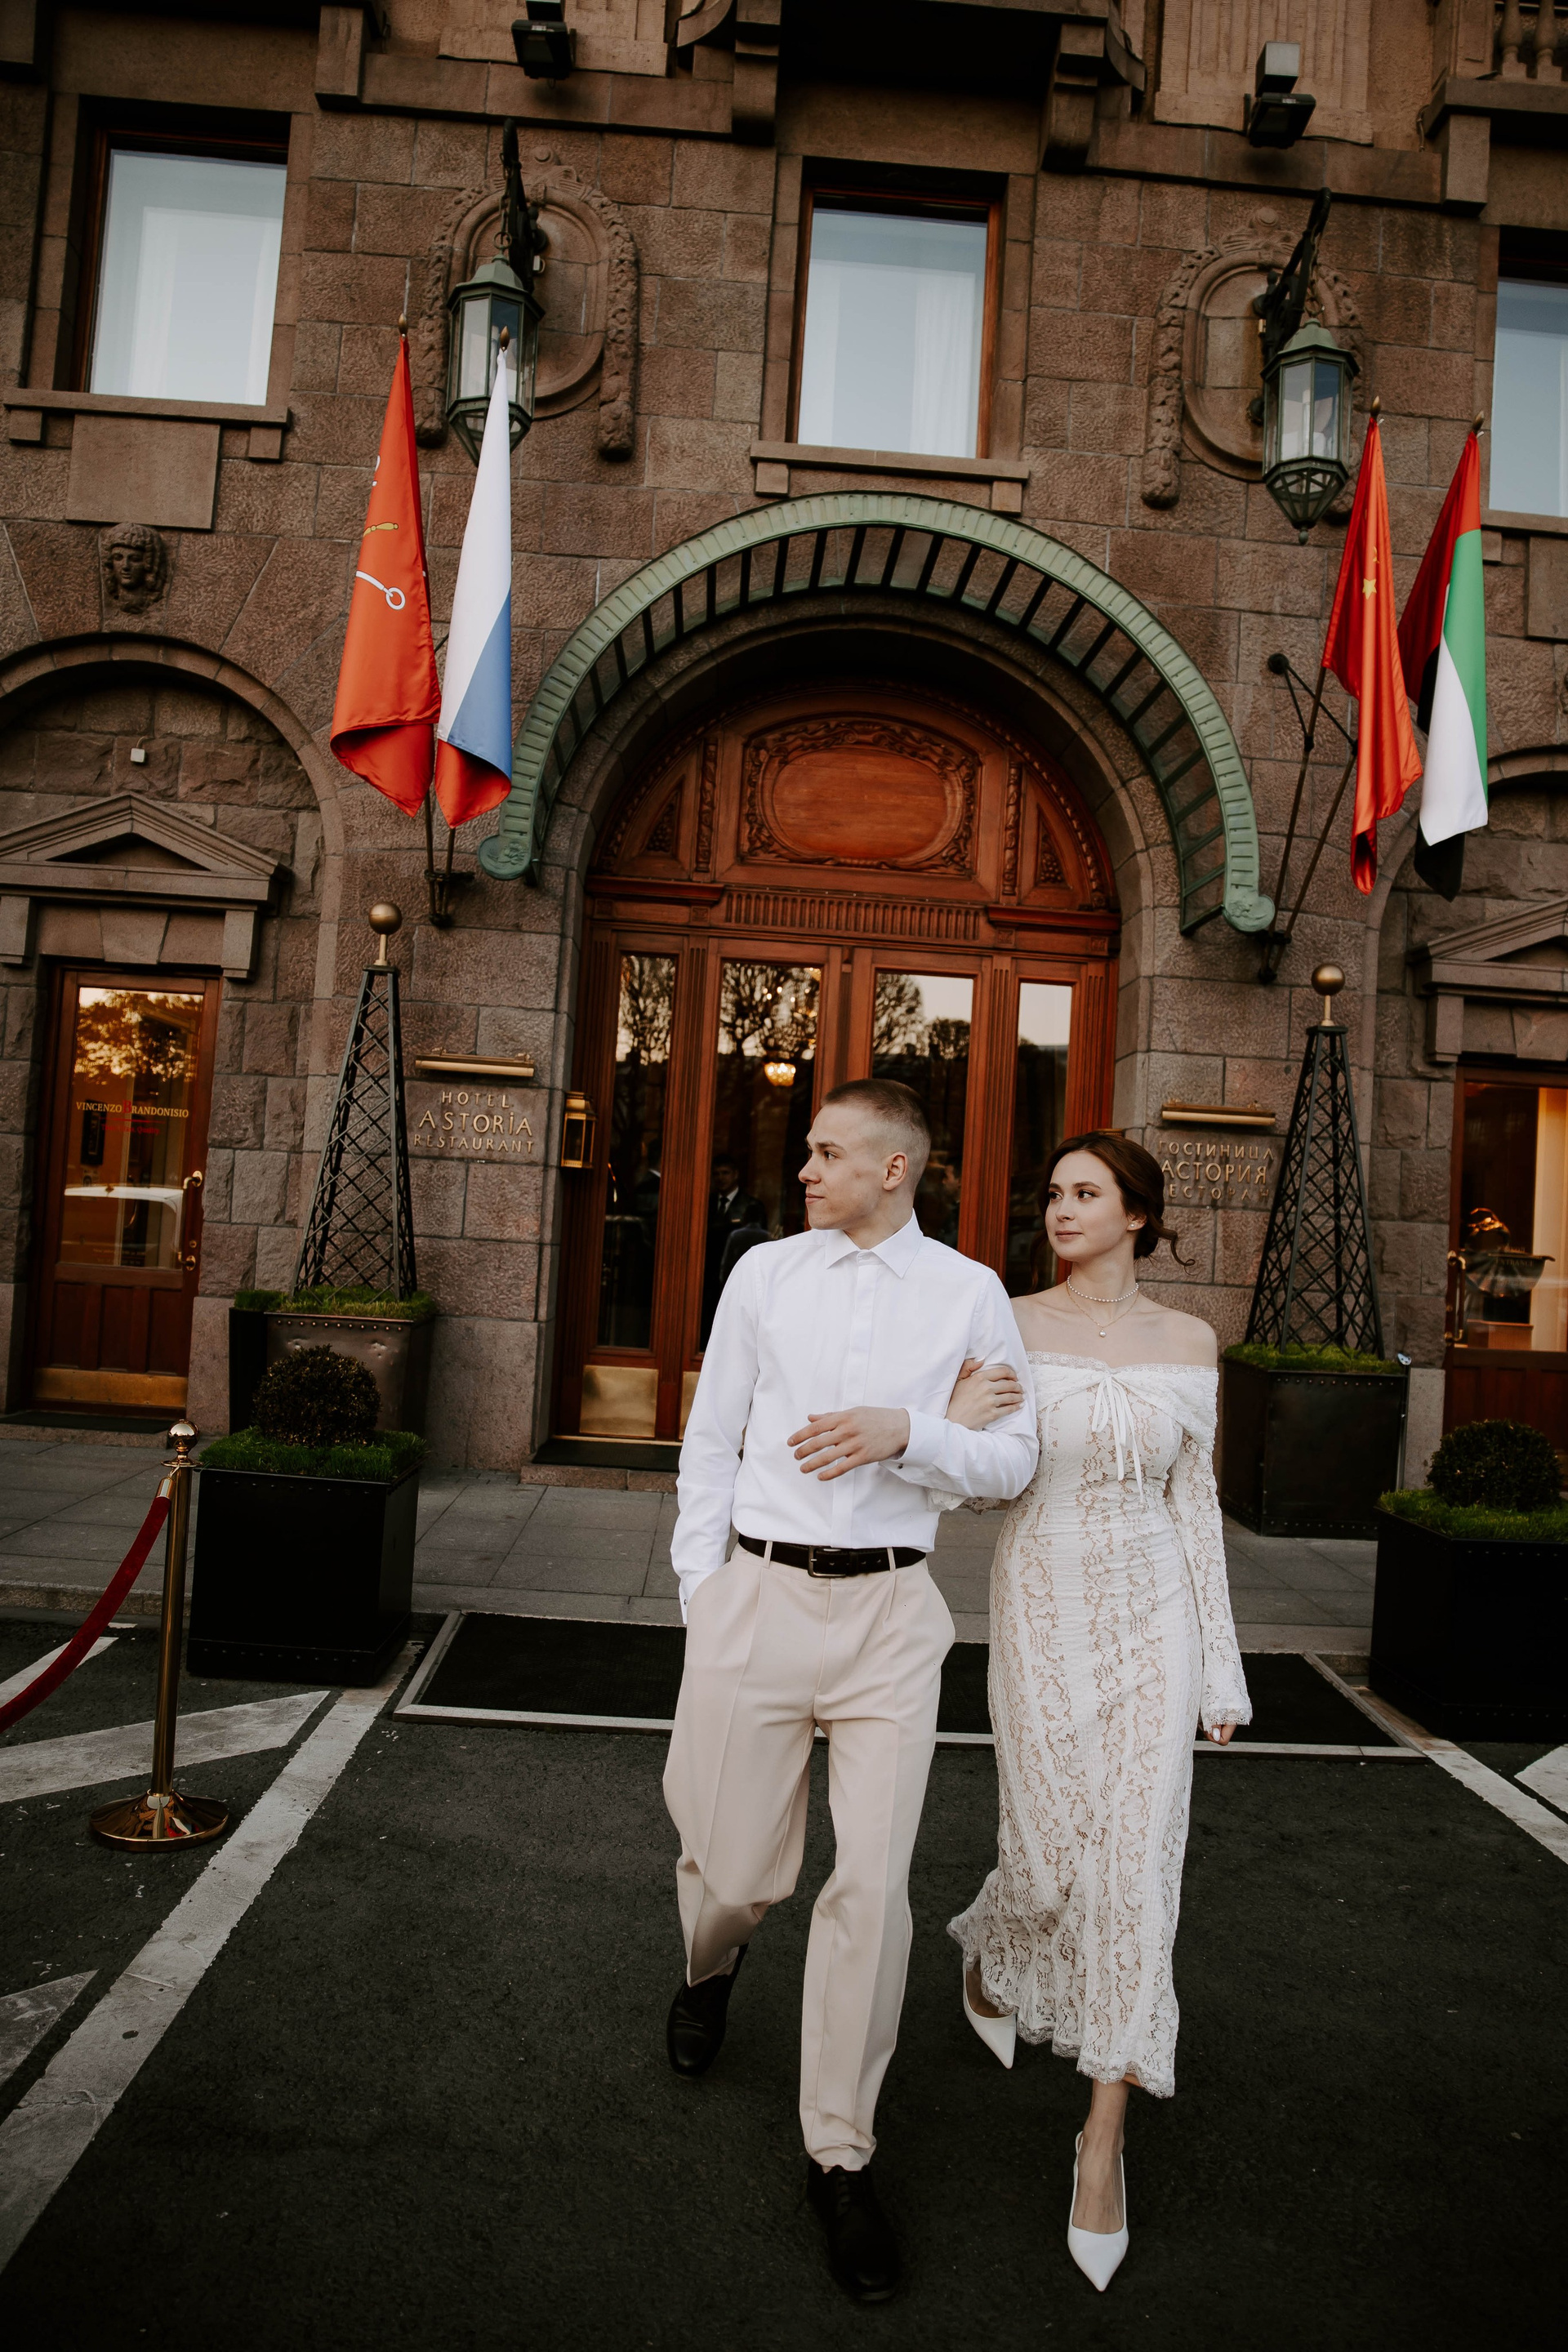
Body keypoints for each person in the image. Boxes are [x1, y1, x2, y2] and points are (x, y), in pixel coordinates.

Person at [662, 1080, 1039, 2304]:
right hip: (758, 1596)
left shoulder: (969, 1292)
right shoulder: (764, 1273)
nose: (806, 1169)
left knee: (872, 1892)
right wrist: (703, 1591)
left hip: (891, 1616)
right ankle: (712, 1964)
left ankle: (841, 2154)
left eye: (829, 1152)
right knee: (731, 1870)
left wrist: (907, 1432)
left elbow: (1013, 1460)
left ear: (895, 1168)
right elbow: (712, 1437)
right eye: (810, 1151)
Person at [939, 1131, 1250, 2293]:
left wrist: (1222, 1671)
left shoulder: (1191, 1341)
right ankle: (995, 1946)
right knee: (1047, 1859)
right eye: (1054, 1193)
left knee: (1136, 1877)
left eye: (1085, 1192)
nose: (1060, 1209)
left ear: (1136, 1214)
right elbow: (976, 1494)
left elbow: (1196, 1508)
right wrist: (958, 1422)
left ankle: (1102, 2142)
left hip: (1157, 1620)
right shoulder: (1010, 1324)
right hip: (1042, 1611)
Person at [701, 1156, 768, 1342]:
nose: (720, 1178)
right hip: (706, 1274)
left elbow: (760, 1241)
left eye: (725, 1173)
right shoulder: (705, 1203)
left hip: (737, 1272)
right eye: (716, 1174)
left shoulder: (751, 1205)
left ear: (736, 1174)